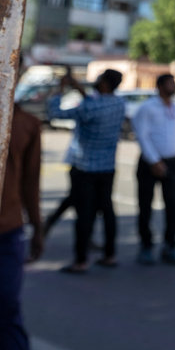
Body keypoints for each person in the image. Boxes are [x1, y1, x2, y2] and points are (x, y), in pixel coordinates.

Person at [0, 67, 45, 350]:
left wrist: (37, 227)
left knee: (8, 316)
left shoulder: (26, 124)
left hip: (7, 233)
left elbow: (30, 182)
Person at [48, 68, 126, 273]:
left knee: (84, 215)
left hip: (85, 167)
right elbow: (94, 104)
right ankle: (110, 254)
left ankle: (80, 260)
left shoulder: (89, 107)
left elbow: (56, 113)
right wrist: (80, 90)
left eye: (99, 79)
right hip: (107, 167)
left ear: (105, 84)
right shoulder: (119, 104)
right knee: (107, 211)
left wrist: (60, 89)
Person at [133, 74, 175, 266]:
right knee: (145, 205)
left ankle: (170, 245)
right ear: (160, 86)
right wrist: (154, 161)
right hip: (150, 163)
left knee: (172, 205)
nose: (173, 86)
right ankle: (146, 246)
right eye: (170, 83)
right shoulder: (148, 108)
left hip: (172, 162)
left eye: (174, 83)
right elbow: (142, 135)